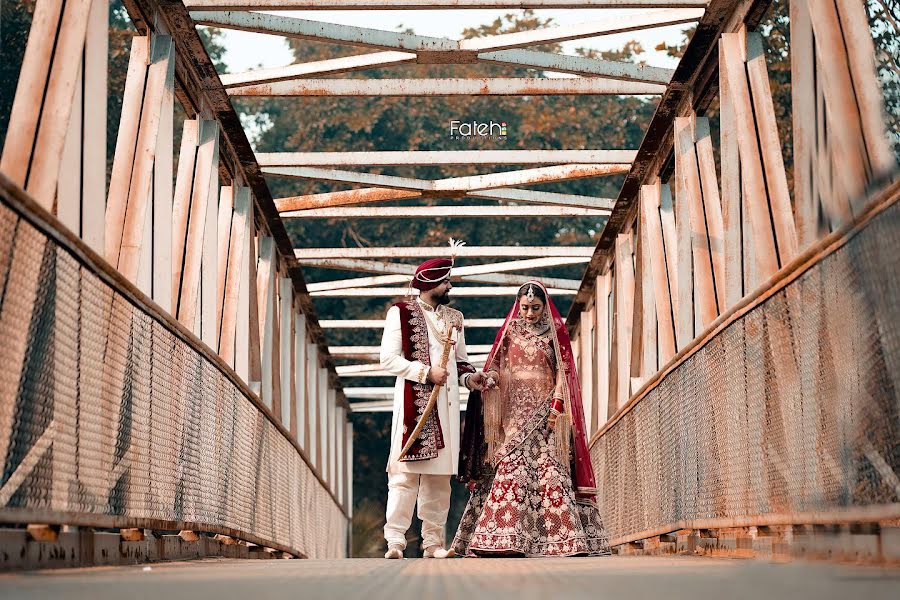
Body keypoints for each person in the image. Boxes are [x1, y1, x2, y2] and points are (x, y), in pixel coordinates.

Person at [452, 280, 610, 557]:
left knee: (549, 466)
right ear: (518, 306)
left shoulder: (555, 333)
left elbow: (565, 372)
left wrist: (558, 403)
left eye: (535, 308)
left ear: (544, 306)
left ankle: (564, 539)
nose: (529, 313)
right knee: (512, 465)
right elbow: (498, 366)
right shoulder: (510, 332)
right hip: (512, 413)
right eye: (524, 307)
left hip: (546, 410)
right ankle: (503, 539)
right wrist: (489, 378)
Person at [381, 255, 486, 559]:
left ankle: (433, 544)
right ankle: (396, 542)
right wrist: (425, 373)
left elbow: (461, 362)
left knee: (440, 479)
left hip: (447, 408)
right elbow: (387, 359)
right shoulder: (400, 312)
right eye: (445, 281)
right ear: (429, 282)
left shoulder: (455, 317)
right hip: (415, 407)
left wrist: (471, 379)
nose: (449, 285)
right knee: (404, 476)